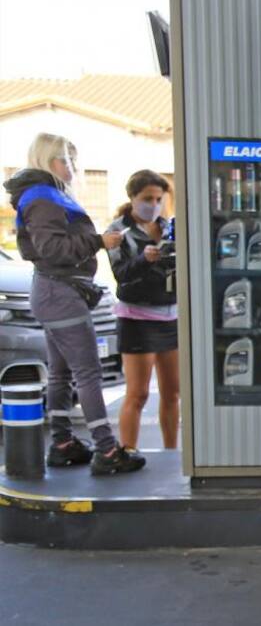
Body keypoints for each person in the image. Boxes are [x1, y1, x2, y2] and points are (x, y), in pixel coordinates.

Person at [3, 133, 146, 475]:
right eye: (67, 160)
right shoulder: (44, 198)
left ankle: (63, 444)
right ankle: (107, 451)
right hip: (60, 293)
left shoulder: (43, 195)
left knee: (62, 372)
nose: (73, 167)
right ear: (48, 161)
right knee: (87, 371)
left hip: (54, 292)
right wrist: (99, 241)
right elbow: (52, 249)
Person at [106, 170, 179, 450]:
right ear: (132, 197)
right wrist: (144, 260)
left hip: (171, 316)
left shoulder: (168, 226)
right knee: (137, 394)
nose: (154, 204)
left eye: (159, 198)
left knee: (172, 394)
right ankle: (128, 452)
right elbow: (121, 274)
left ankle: (172, 452)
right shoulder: (118, 231)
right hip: (136, 318)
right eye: (147, 198)